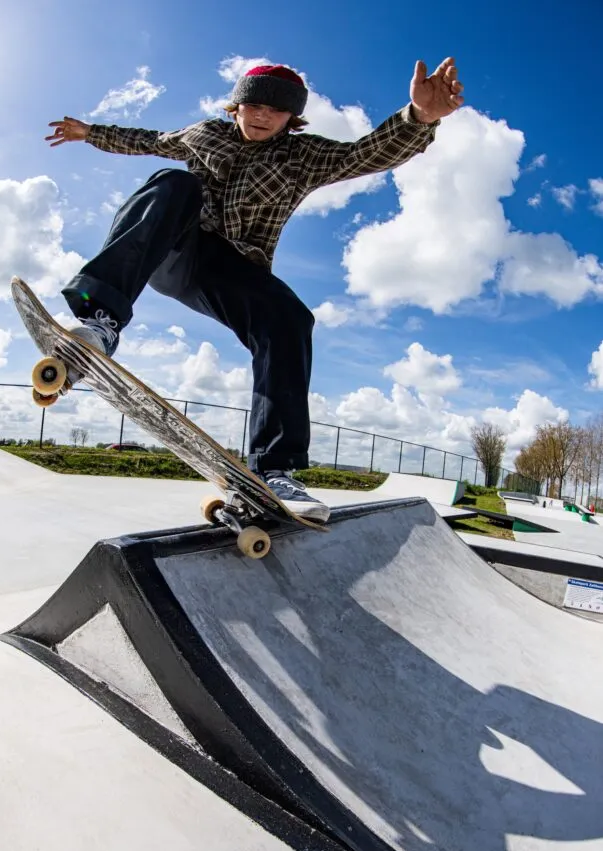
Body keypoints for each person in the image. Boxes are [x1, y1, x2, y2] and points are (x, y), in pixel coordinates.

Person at [46, 58, 464, 521]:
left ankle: (275, 469)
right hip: (174, 249)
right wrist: (90, 133)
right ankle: (99, 323)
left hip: (228, 272)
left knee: (289, 317)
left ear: (292, 119)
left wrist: (418, 119)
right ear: (237, 105)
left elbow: (361, 154)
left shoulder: (302, 157)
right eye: (255, 105)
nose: (263, 117)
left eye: (277, 112)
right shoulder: (203, 134)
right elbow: (148, 140)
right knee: (173, 183)